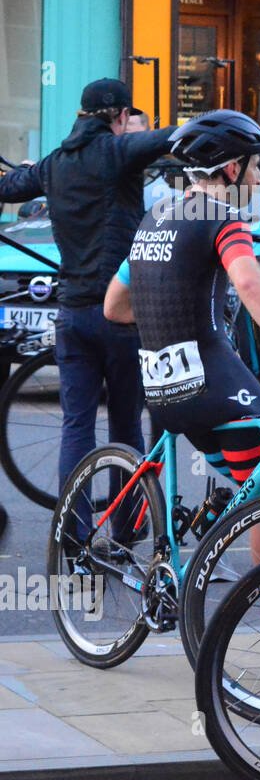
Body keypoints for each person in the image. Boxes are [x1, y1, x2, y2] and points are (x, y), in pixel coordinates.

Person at [103, 111, 260, 649]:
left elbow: (115, 307)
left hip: (162, 391)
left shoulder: (157, 216)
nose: (258, 176)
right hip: (210, 385)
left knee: (250, 491)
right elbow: (249, 282)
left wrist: (168, 315)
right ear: (230, 169)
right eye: (255, 166)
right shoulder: (220, 217)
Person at [0, 78, 175, 493]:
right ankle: (126, 535)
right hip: (120, 315)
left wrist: (27, 171)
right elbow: (167, 139)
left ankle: (73, 544)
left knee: (75, 428)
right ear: (121, 116)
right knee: (126, 429)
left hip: (73, 315)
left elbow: (9, 188)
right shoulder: (117, 151)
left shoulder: (54, 163)